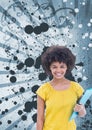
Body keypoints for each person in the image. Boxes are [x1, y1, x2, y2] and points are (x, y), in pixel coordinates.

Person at [36, 45, 86, 130]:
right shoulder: (43, 90)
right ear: (49, 68)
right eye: (54, 67)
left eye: (62, 66)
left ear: (67, 67)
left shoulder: (76, 88)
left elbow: (82, 114)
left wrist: (81, 109)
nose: (58, 70)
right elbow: (40, 119)